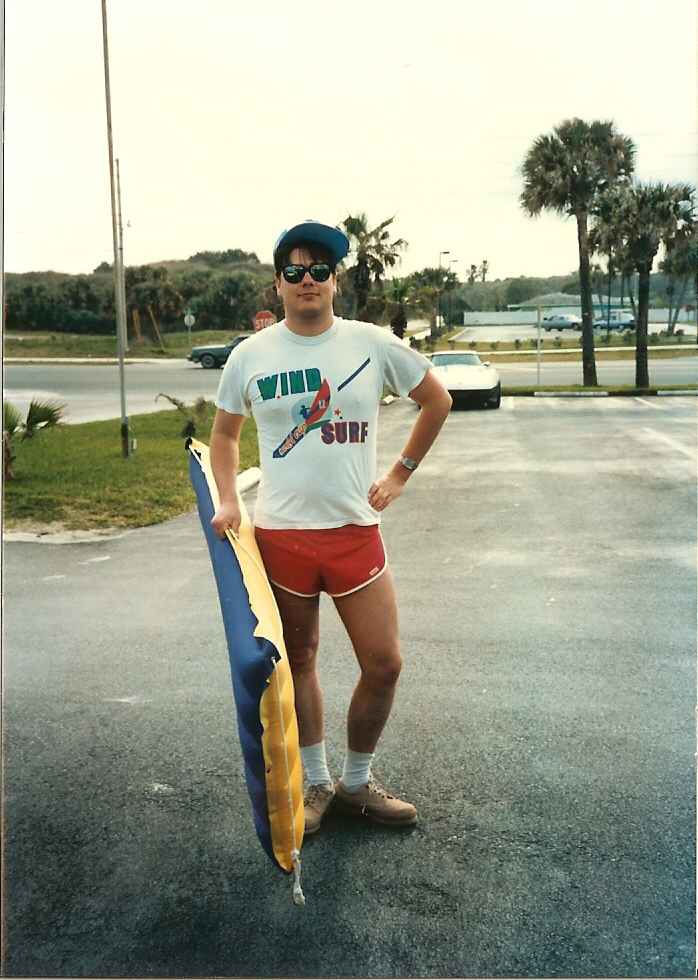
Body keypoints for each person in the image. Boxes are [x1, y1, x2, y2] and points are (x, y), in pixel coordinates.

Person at [209, 220, 452, 834]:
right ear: (278, 283)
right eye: (295, 271)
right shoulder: (250, 355)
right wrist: (227, 502)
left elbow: (437, 399)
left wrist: (399, 473)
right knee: (299, 661)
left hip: (353, 533)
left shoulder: (371, 344)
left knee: (385, 663)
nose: (307, 280)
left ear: (335, 280)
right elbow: (224, 434)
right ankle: (316, 784)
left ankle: (356, 782)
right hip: (282, 538)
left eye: (319, 269)